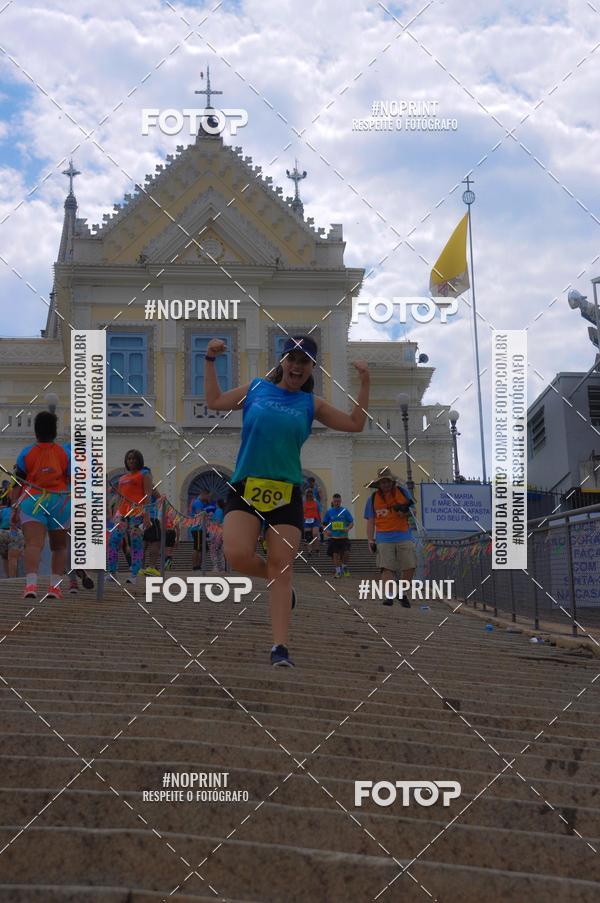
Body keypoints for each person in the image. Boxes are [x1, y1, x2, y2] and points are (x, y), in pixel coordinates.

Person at [205, 334, 370, 667]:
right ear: (282, 361)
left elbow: (355, 424)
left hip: (286, 491)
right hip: (246, 484)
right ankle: (280, 583)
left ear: (312, 368)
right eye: (291, 359)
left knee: (283, 567)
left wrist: (365, 382)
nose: (296, 366)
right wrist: (209, 360)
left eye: (304, 361)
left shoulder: (312, 404)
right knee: (236, 554)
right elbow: (216, 401)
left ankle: (280, 648)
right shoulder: (256, 389)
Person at [10, 411, 70, 599]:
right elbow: (73, 480)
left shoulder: (26, 452)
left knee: (33, 545)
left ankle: (31, 586)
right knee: (59, 547)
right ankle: (54, 587)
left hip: (33, 501)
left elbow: (17, 482)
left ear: (36, 430)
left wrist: (14, 507)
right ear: (55, 431)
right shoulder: (64, 452)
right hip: (60, 501)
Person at [364, 466, 416, 607]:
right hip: (383, 537)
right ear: (379, 484)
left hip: (404, 535)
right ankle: (389, 596)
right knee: (386, 568)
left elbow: (413, 512)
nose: (385, 484)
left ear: (392, 482)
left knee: (410, 566)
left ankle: (402, 593)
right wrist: (370, 539)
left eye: (387, 481)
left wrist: (404, 513)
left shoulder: (403, 493)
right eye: (382, 482)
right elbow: (371, 520)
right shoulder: (373, 498)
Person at [107, 450, 153, 585]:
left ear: (139, 460)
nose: (131, 461)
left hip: (138, 513)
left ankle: (134, 574)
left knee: (136, 543)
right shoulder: (122, 478)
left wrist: (147, 515)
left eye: (134, 459)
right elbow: (120, 498)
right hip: (122, 514)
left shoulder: (144, 474)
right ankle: (112, 572)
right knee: (113, 541)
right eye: (129, 459)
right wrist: (115, 513)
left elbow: (148, 495)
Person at [323, 493, 354, 577]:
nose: (337, 503)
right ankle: (338, 571)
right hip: (334, 537)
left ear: (340, 501)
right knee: (335, 554)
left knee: (346, 553)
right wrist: (326, 532)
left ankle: (344, 567)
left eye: (338, 501)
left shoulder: (345, 511)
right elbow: (324, 524)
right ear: (332, 501)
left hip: (344, 537)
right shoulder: (329, 512)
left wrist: (348, 528)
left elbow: (351, 522)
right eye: (335, 501)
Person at [189, 488, 216, 570]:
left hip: (201, 528)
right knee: (197, 548)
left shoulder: (201, 503)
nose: (209, 498)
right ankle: (195, 566)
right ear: (204, 494)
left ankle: (199, 566)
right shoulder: (197, 502)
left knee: (204, 549)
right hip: (197, 528)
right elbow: (199, 514)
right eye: (208, 496)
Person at [0, 498, 24, 578]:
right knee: (13, 558)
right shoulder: (22, 510)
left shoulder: (3, 510)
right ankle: (13, 578)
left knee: (5, 557)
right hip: (15, 532)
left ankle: (8, 578)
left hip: (2, 533)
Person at [207, 499, 226, 572]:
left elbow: (217, 522)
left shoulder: (218, 511)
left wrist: (210, 522)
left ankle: (216, 567)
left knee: (213, 550)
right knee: (221, 551)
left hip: (217, 533)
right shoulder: (223, 511)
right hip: (223, 533)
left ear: (218, 504)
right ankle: (223, 567)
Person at [302, 488, 321, 556]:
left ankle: (317, 549)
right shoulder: (304, 503)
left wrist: (320, 521)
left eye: (311, 495)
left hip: (315, 520)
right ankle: (309, 551)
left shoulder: (316, 502)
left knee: (315, 534)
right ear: (306, 496)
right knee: (308, 536)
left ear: (312, 495)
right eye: (308, 495)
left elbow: (319, 511)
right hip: (307, 521)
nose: (309, 497)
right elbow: (303, 512)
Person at [164, 503, 179, 570]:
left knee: (167, 551)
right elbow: (178, 529)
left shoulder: (164, 515)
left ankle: (167, 565)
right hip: (171, 532)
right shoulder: (175, 516)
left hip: (167, 533)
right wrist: (177, 540)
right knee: (169, 551)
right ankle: (167, 565)